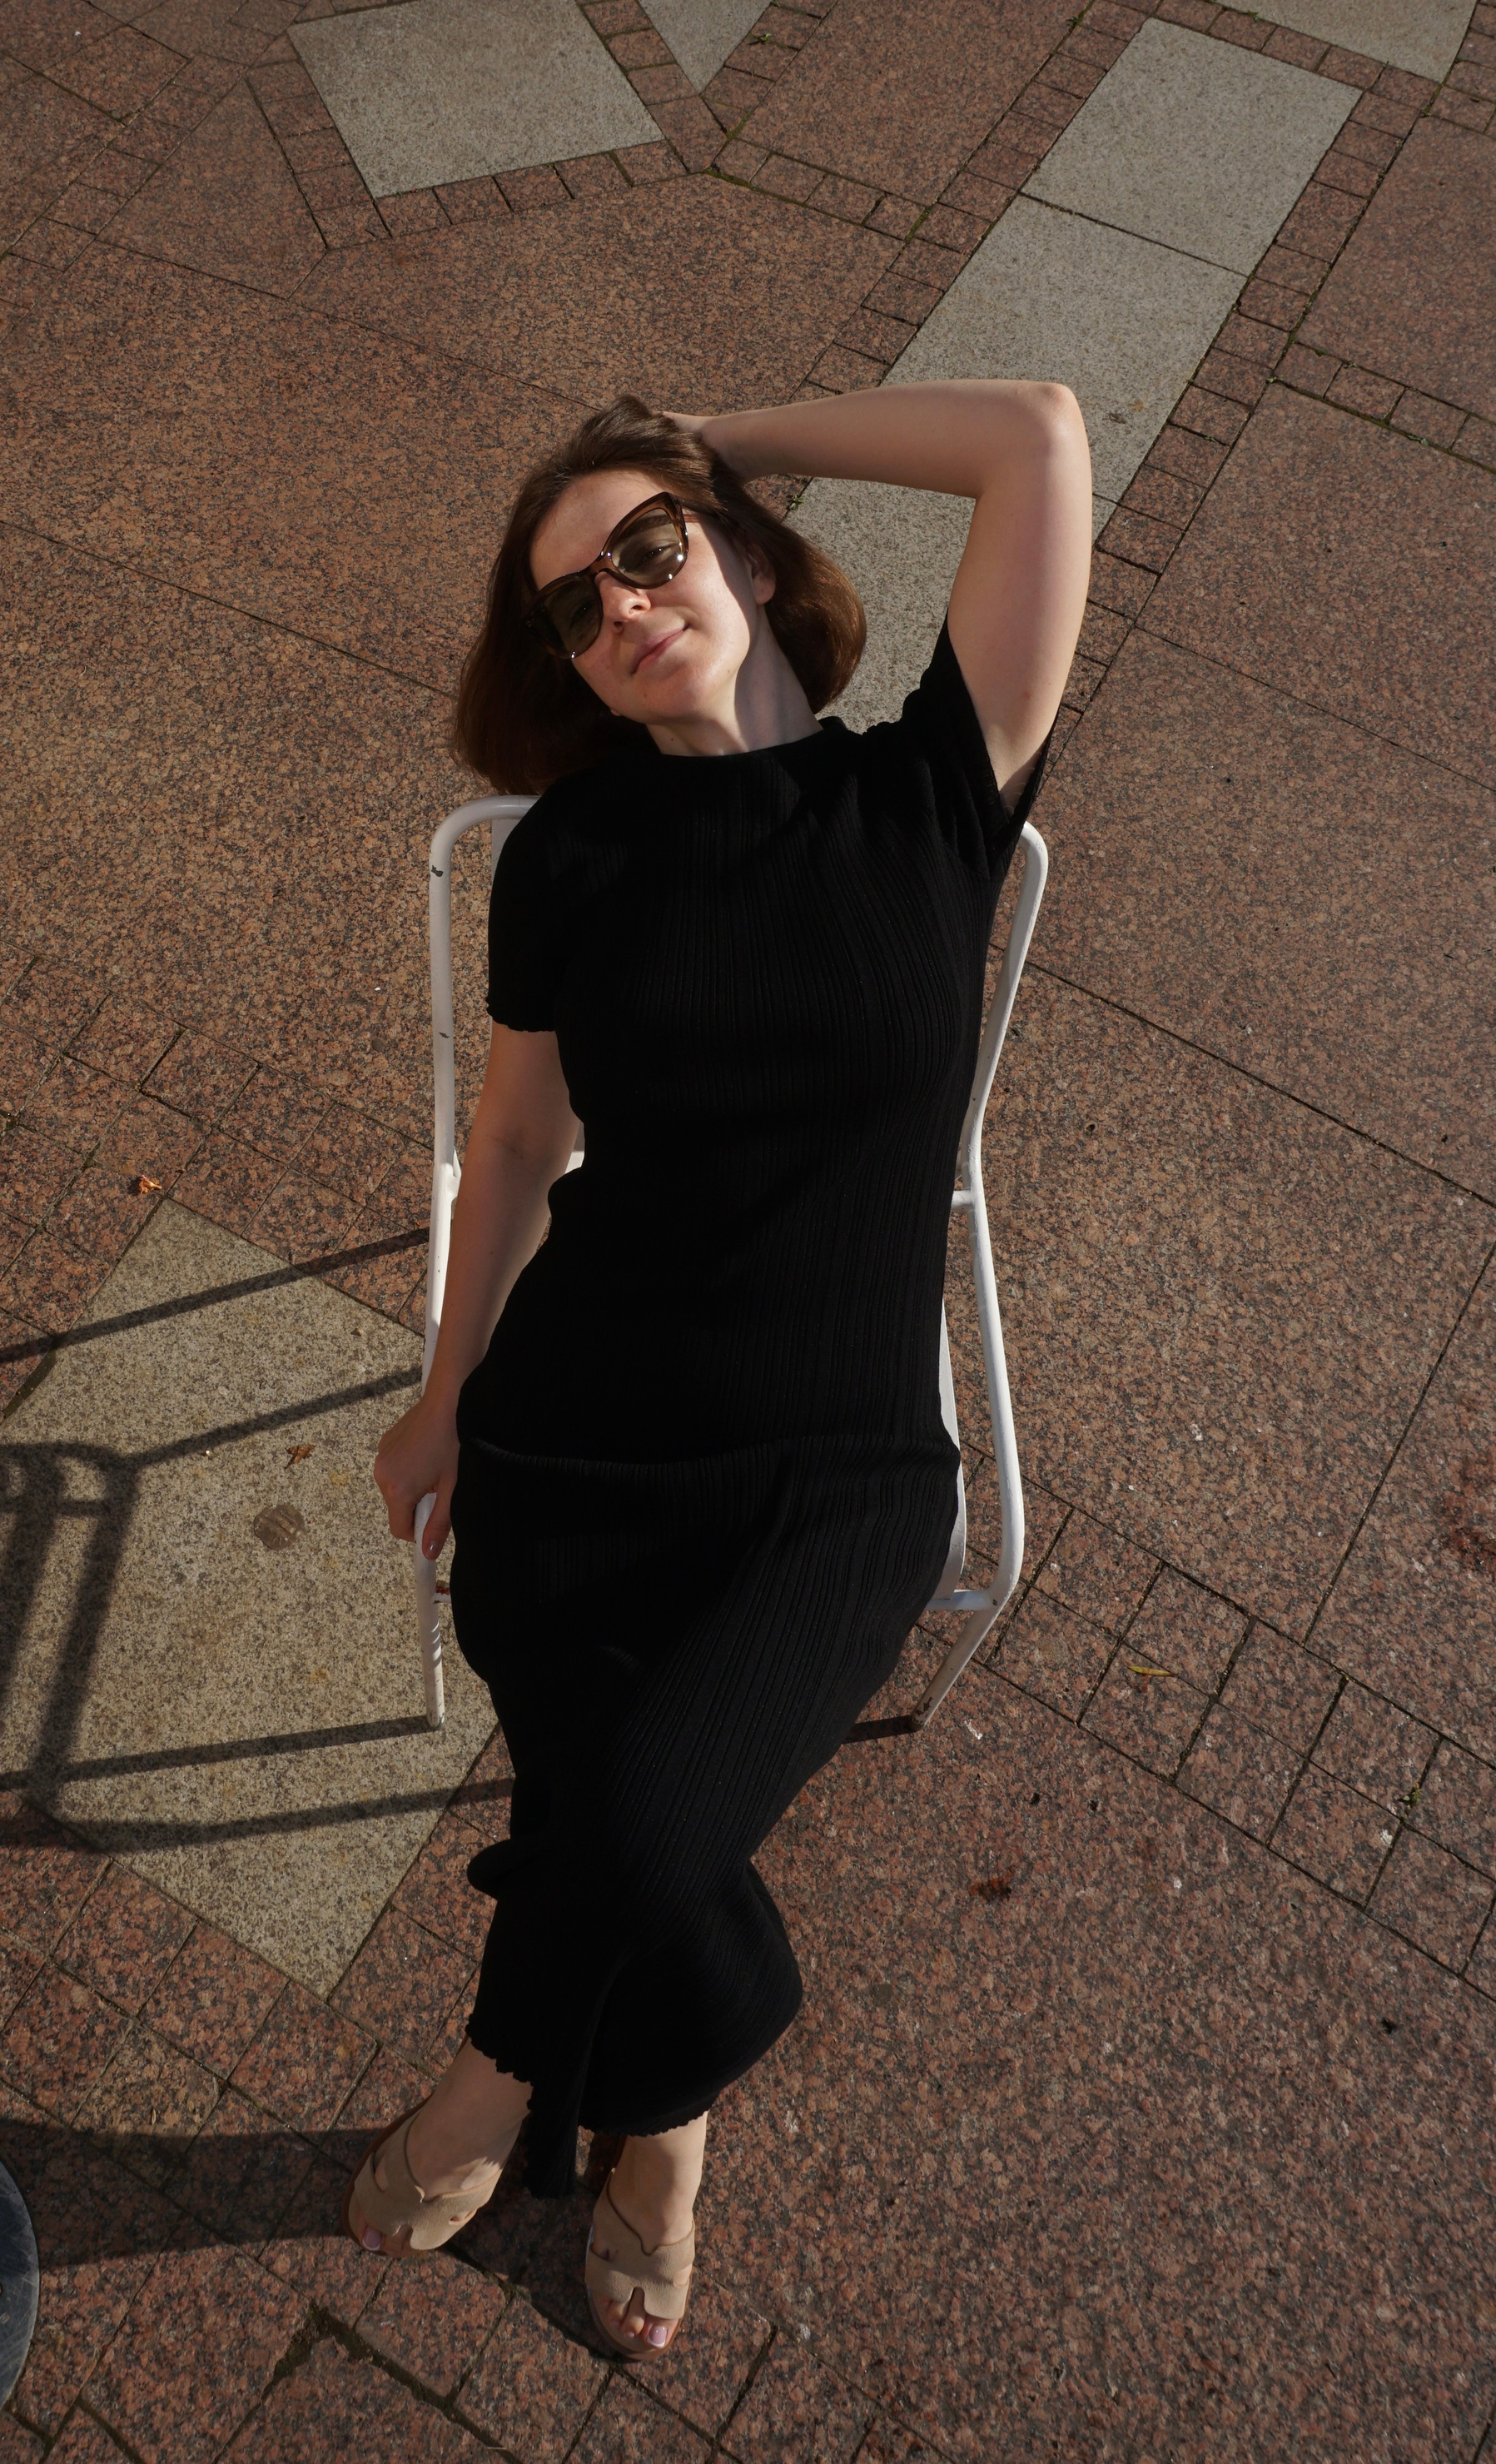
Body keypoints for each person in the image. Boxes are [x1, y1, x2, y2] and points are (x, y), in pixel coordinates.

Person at [357, 385, 1091, 2356]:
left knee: (645, 1831)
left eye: (650, 549)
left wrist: (720, 436)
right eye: (571, 605)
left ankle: (510, 2071)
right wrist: (447, 1388)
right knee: (619, 1793)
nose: (616, 604)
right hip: (578, 1427)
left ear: (751, 557)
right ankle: (667, 2104)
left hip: (835, 1477)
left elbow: (1040, 436)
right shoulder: (575, 855)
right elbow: (520, 1140)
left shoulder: (931, 788)